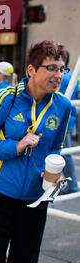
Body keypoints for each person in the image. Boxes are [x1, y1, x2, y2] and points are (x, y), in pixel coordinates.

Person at [0, 40, 72, 263]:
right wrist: (15, 146)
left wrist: (54, 172)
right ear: (31, 70)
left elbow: (55, 147)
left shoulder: (63, 106)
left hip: (35, 198)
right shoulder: (7, 97)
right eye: (51, 68)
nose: (58, 75)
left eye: (63, 69)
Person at [58, 51, 79, 194]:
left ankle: (72, 186)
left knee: (65, 153)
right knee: (63, 152)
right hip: (69, 118)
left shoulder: (62, 77)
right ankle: (71, 185)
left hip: (62, 119)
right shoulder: (72, 76)